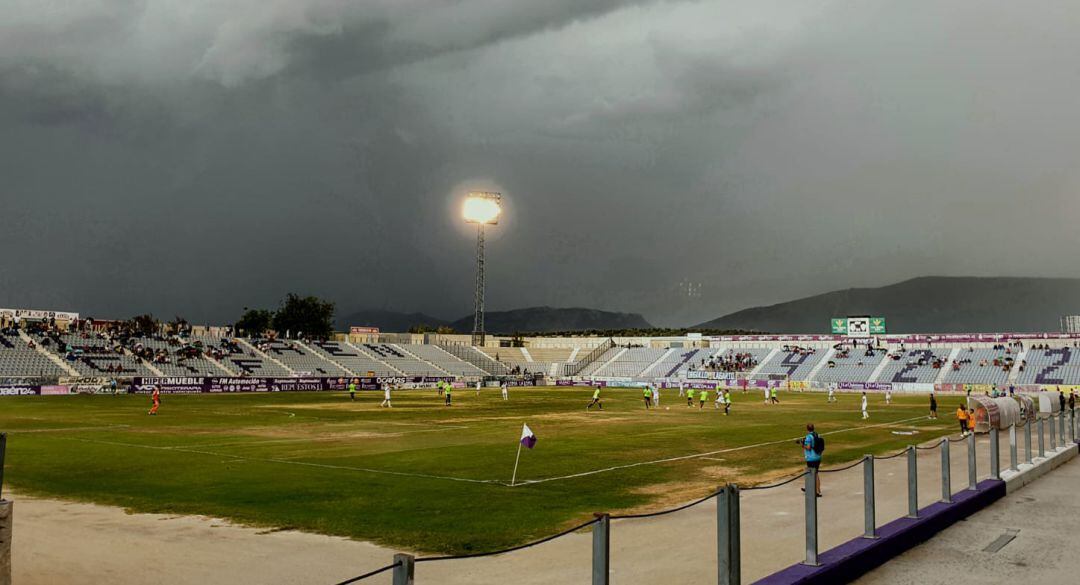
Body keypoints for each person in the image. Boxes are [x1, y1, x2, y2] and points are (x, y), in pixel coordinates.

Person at [799, 423, 823, 497]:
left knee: (812, 474)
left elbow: (808, 447)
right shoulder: (817, 435)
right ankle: (816, 489)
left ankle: (816, 492)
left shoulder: (809, 437)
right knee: (815, 474)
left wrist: (802, 444)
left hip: (811, 458)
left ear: (807, 429)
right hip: (818, 457)